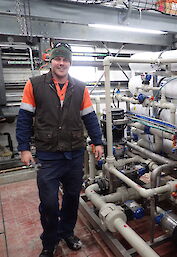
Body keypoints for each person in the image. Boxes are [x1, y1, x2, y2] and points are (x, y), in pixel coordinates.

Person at [16, 42, 103, 257]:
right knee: (49, 204)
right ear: (51, 61)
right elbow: (24, 118)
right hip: (48, 155)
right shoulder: (34, 85)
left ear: (70, 63)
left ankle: (67, 233)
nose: (61, 63)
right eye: (58, 59)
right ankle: (49, 241)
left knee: (73, 198)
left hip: (74, 154)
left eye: (65, 60)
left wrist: (98, 141)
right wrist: (24, 147)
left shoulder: (80, 88)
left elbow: (90, 117)